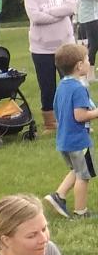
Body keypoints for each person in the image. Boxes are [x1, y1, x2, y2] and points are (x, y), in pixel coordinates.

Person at [43, 43, 98, 220]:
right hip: (79, 141)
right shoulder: (79, 88)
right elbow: (80, 115)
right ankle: (81, 211)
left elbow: (58, 110)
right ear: (79, 65)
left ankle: (58, 196)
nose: (89, 62)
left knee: (76, 169)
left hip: (64, 139)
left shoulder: (62, 86)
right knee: (84, 176)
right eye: (87, 59)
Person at [23, 0, 76, 131]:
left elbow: (71, 7)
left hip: (66, 46)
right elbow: (35, 17)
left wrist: (49, 13)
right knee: (47, 87)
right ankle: (51, 123)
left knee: (71, 84)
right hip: (42, 48)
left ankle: (75, 119)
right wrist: (59, 14)